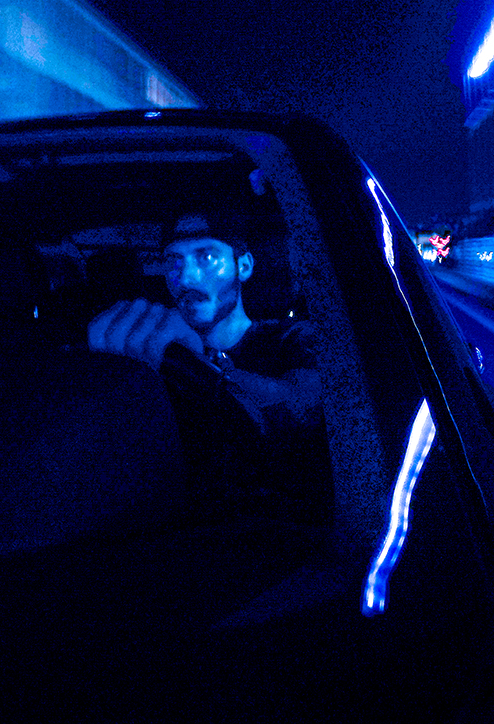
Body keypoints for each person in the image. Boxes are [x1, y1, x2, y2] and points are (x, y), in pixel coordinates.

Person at [87, 211, 329, 522]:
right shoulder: (147, 350)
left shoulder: (292, 338)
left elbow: (306, 411)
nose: (186, 278)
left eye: (207, 257)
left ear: (243, 266)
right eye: (173, 262)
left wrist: (199, 361)